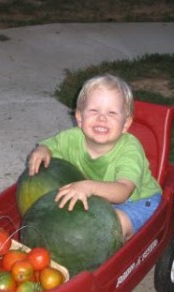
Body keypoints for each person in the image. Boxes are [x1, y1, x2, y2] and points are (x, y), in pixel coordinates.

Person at [28, 74, 162, 242]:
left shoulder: (130, 149)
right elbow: (50, 146)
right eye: (94, 111)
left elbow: (123, 191)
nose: (102, 118)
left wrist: (88, 187)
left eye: (112, 113)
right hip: (96, 198)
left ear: (126, 124)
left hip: (138, 202)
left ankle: (114, 252)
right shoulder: (71, 138)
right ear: (79, 117)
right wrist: (42, 149)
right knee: (75, 224)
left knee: (114, 225)